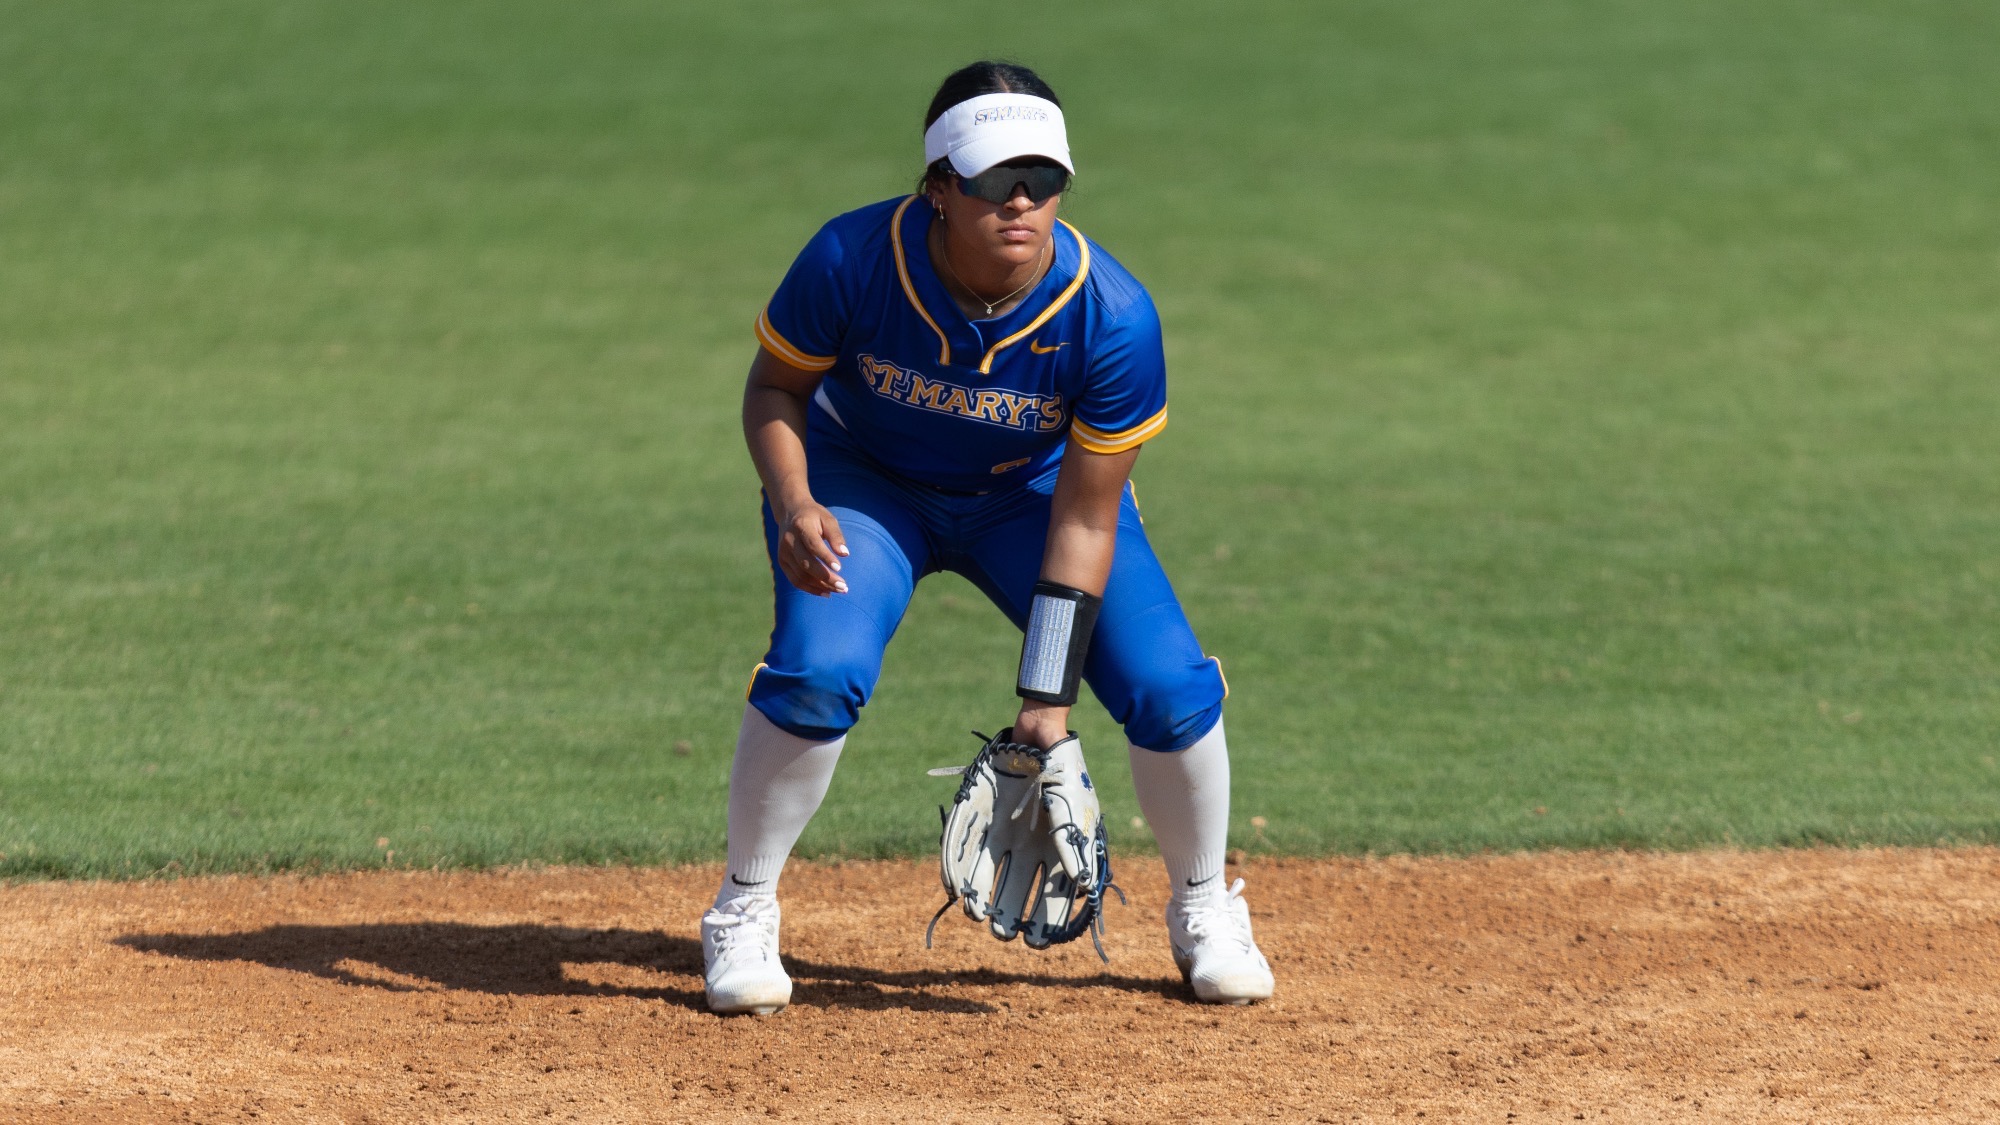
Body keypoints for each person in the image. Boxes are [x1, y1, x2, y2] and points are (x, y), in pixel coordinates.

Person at [701, 60, 1274, 1014]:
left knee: (1169, 686)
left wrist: (1044, 701)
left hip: (1034, 498)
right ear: (936, 189)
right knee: (817, 668)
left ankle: (1205, 906)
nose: (1021, 200)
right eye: (991, 179)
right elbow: (775, 388)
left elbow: (1088, 516)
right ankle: (742, 907)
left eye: (1042, 180)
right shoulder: (851, 258)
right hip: (863, 483)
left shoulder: (1113, 317)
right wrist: (796, 501)